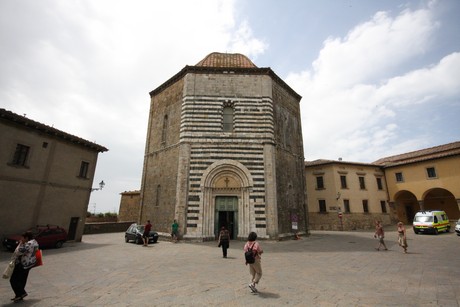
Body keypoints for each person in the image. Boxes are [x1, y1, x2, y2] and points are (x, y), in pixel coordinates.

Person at [10, 231, 39, 302]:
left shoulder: (28, 244)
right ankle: (19, 296)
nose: (21, 239)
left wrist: (20, 243)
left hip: (23, 264)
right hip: (30, 263)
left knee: (13, 280)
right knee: (22, 280)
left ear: (26, 238)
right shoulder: (35, 242)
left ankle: (22, 293)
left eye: (22, 237)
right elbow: (36, 250)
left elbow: (17, 252)